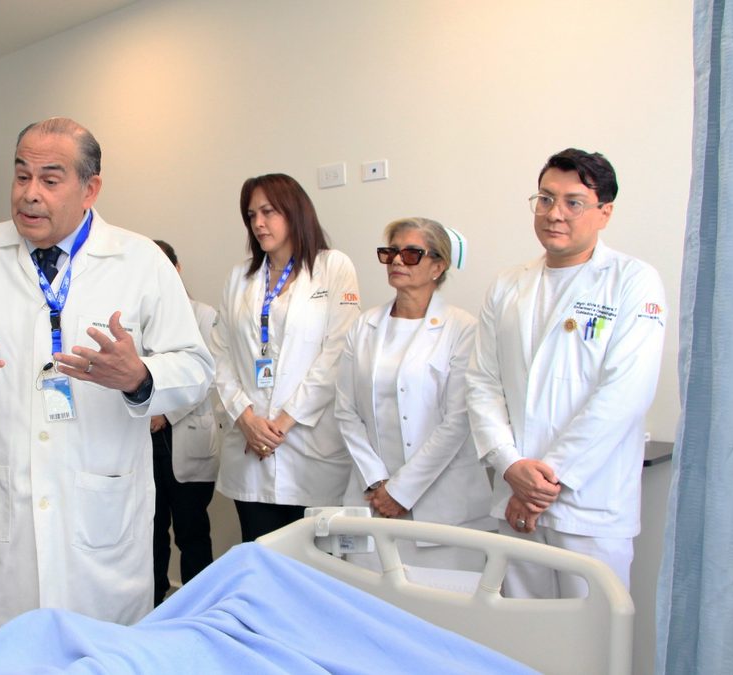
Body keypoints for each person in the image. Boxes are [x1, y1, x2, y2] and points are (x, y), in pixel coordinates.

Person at [0, 117, 214, 636]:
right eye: (21, 176)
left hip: (100, 514)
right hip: (3, 512)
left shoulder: (141, 261)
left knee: (98, 654)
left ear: (90, 189)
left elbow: (196, 366)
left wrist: (140, 376)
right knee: (7, 653)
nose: (29, 194)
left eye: (50, 178)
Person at [465, 148, 667, 598]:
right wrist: (509, 464)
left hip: (589, 505)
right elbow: (482, 383)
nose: (554, 213)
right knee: (524, 644)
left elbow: (624, 395)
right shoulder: (507, 285)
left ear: (604, 213)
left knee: (594, 648)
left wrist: (542, 483)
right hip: (514, 499)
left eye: (573, 202)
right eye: (544, 199)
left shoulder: (633, 281)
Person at [335, 218, 493, 571]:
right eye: (390, 252)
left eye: (410, 254)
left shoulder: (462, 329)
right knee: (369, 603)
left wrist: (401, 491)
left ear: (437, 266)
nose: (396, 261)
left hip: (443, 504)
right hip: (372, 497)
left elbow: (458, 421)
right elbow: (345, 411)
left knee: (441, 609)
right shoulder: (364, 326)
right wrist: (380, 483)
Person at [211, 173, 360, 542]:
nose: (258, 223)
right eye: (251, 215)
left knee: (315, 566)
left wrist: (279, 425)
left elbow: (336, 353)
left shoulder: (333, 267)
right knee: (261, 556)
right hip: (250, 448)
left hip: (308, 445)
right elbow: (220, 353)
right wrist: (245, 418)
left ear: (295, 213)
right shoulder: (239, 278)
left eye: (268, 212)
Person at [149, 239, 220, 605]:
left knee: (192, 532)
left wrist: (165, 413)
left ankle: (198, 607)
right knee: (152, 531)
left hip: (186, 434)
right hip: (146, 440)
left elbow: (208, 377)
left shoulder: (204, 315)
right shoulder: (141, 314)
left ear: (177, 269)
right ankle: (155, 601)